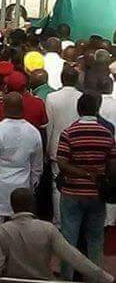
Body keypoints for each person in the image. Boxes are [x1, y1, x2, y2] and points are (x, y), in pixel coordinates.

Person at [0, 188, 114, 283]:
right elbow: (74, 257)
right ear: (32, 205)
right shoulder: (48, 229)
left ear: (12, 206)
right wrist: (105, 277)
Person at [57, 92, 116, 280]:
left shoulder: (69, 132)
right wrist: (99, 176)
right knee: (96, 239)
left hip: (72, 192)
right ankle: (95, 278)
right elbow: (113, 165)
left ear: (78, 109)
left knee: (69, 239)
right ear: (96, 110)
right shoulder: (107, 133)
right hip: (96, 193)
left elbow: (62, 162)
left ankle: (67, 277)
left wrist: (82, 173)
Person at [0, 93, 43, 229]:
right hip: (22, 188)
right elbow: (37, 167)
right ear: (22, 108)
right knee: (21, 228)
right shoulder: (33, 132)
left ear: (4, 108)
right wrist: (31, 185)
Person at [45, 65, 81, 225]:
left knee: (56, 186)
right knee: (78, 185)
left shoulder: (52, 98)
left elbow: (49, 126)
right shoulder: (82, 97)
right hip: (79, 146)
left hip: (57, 146)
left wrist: (47, 149)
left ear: (62, 79)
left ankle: (59, 222)